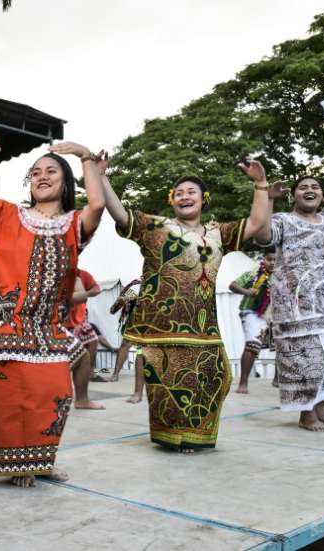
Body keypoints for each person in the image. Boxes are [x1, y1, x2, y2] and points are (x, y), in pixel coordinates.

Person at [0, 137, 106, 487]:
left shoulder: (73, 225)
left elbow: (97, 204)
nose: (42, 176)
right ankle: (17, 466)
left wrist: (85, 158)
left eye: (51, 171)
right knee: (9, 400)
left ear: (65, 183)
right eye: (36, 172)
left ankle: (40, 460)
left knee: (55, 396)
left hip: (48, 328)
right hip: (4, 328)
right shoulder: (6, 215)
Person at [100, 161, 272, 452]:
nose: (184, 196)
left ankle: (195, 434)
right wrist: (101, 176)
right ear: (172, 200)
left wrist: (261, 184)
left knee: (216, 376)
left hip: (203, 326)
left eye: (191, 191)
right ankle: (173, 437)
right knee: (167, 383)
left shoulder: (219, 233)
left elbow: (256, 224)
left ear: (203, 199)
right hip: (162, 326)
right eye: (178, 193)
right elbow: (120, 213)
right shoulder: (156, 227)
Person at [261, 176, 324, 430]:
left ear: (321, 194)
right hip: (296, 306)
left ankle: (321, 408)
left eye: (315, 187)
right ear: (293, 195)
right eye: (303, 187)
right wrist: (267, 199)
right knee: (308, 361)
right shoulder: (284, 220)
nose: (309, 190)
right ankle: (306, 414)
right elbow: (264, 236)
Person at [229, 249, 277, 393]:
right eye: (269, 259)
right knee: (252, 344)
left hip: (274, 314)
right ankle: (243, 383)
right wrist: (247, 291)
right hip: (252, 312)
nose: (272, 263)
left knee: (283, 345)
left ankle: (277, 380)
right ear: (264, 259)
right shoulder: (255, 272)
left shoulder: (283, 274)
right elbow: (233, 285)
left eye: (275, 260)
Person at [67, 269, 107, 409]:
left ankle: (89, 376)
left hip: (79, 321)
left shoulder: (80, 274)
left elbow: (94, 290)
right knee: (71, 360)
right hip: (58, 324)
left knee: (89, 348)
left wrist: (85, 292)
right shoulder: (56, 271)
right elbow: (78, 296)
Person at [107, 280, 146, 403]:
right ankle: (115, 374)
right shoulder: (137, 286)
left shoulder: (161, 283)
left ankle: (139, 391)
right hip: (135, 323)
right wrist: (123, 300)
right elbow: (115, 308)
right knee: (126, 346)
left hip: (154, 324)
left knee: (143, 353)